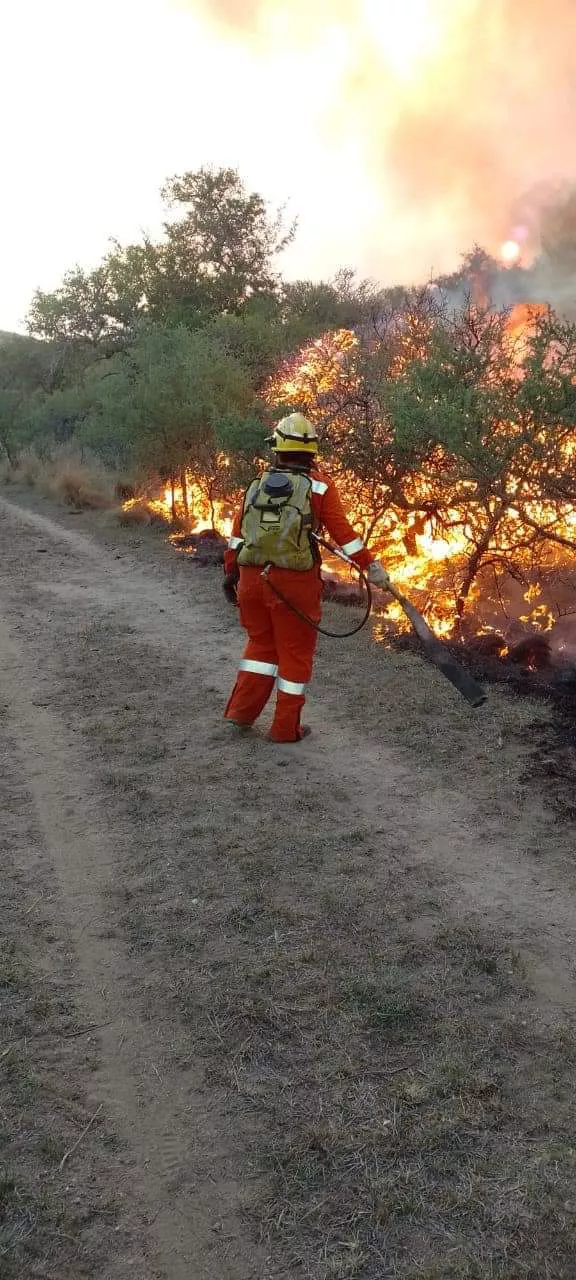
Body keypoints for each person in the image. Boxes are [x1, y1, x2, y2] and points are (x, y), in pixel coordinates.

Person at [222, 412, 391, 743]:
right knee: (294, 656)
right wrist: (371, 567)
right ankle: (285, 730)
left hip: (251, 580)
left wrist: (231, 575)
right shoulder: (319, 487)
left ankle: (240, 715)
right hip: (294, 586)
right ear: (312, 451)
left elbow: (237, 537)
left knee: (260, 645)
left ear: (277, 449)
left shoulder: (257, 485)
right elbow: (345, 536)